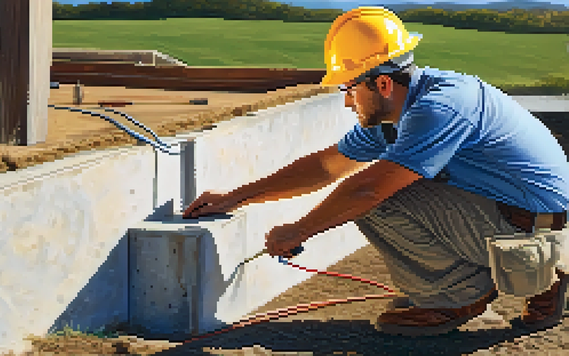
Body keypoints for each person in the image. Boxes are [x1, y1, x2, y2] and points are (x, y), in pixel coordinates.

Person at [183, 6, 569, 336]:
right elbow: (326, 166)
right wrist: (236, 196)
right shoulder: (400, 111)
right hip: (512, 215)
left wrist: (297, 231)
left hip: (535, 227)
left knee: (376, 198)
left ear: (381, 83)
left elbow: (366, 191)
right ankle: (509, 281)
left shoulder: (440, 108)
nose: (348, 102)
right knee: (376, 189)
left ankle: (463, 294)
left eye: (349, 89)